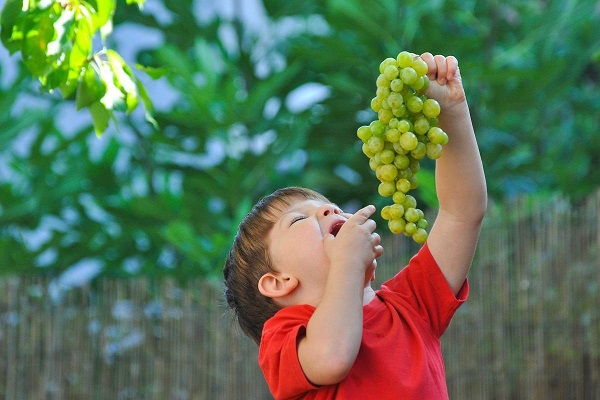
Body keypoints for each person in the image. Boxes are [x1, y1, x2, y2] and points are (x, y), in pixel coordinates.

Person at [223, 52, 487, 399]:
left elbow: (462, 213)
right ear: (279, 282)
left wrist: (452, 112)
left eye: (329, 206)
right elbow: (332, 358)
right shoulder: (285, 337)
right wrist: (347, 262)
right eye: (301, 218)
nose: (329, 210)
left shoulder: (411, 305)